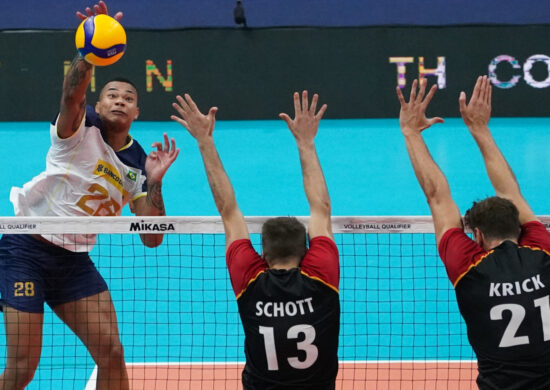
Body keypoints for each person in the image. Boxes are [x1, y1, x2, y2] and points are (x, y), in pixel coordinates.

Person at [0, 2, 179, 389]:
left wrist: (155, 182)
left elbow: (152, 237)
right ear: (97, 105)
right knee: (22, 367)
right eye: (111, 95)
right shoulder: (78, 130)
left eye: (127, 98)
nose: (118, 100)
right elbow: (71, 95)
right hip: (25, 249)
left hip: (73, 263)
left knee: (112, 354)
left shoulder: (137, 164)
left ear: (137, 112)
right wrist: (90, 54)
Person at [171, 91, 340, 389]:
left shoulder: (250, 280)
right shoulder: (321, 276)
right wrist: (305, 142)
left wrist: (205, 141)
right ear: (307, 252)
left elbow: (228, 211)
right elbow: (321, 209)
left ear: (261, 253)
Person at [396, 76, 550, 389]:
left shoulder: (469, 268)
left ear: (476, 236)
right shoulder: (542, 251)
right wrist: (480, 128)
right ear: (520, 229)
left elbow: (437, 197)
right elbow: (511, 192)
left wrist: (410, 132)